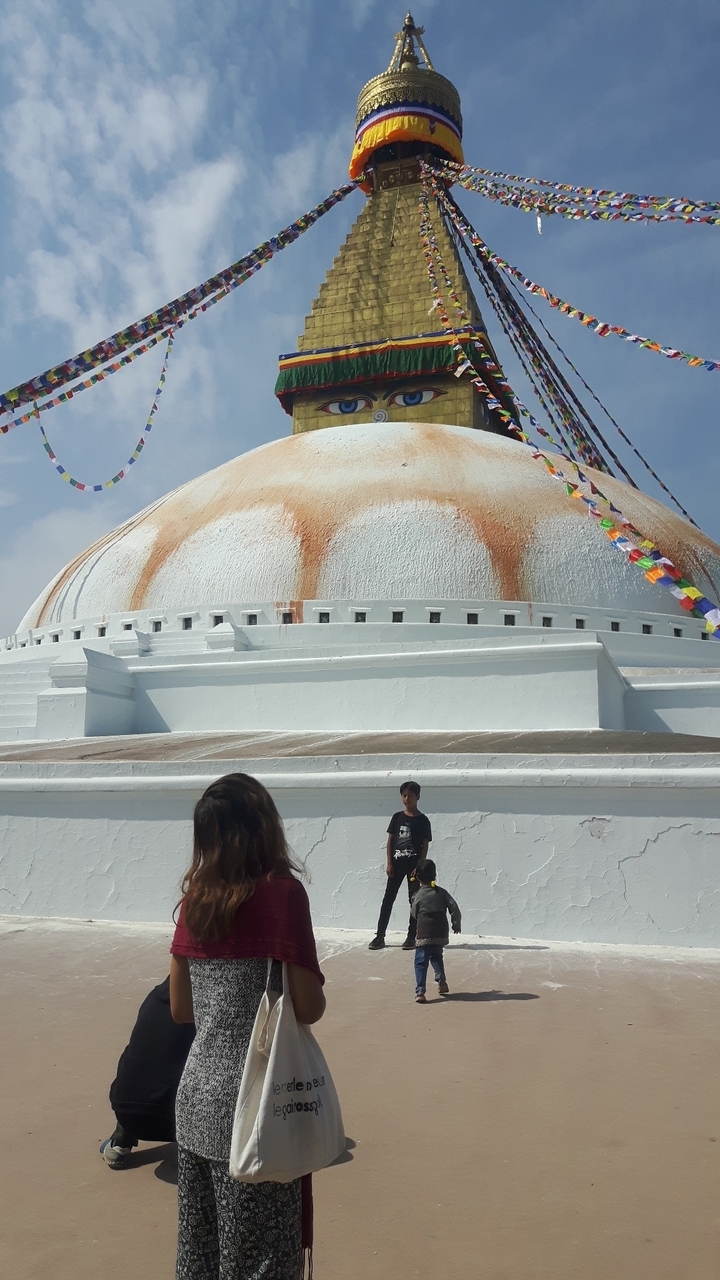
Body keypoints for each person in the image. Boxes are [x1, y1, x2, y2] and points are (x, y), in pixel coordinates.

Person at [169, 771, 326, 1280]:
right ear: (264, 827)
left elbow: (181, 1010)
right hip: (257, 1104)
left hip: (195, 1099)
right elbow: (308, 1007)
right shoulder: (282, 896)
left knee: (200, 1257)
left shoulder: (195, 900)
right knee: (259, 1263)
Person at [99, 976, 196, 1168]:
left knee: (147, 1060)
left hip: (125, 1108)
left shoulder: (154, 998)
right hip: (179, 1121)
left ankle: (121, 1141)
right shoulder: (213, 1006)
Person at [368, 780, 432, 951]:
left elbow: (425, 845)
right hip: (396, 866)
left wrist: (420, 865)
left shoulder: (423, 820)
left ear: (417, 797)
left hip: (413, 868)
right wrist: (389, 862)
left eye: (410, 796)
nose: (406, 799)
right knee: (388, 900)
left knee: (414, 902)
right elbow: (390, 840)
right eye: (404, 795)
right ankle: (379, 936)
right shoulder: (397, 817)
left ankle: (411, 937)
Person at [410, 860, 462, 1003]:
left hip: (424, 933)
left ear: (418, 877)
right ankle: (442, 981)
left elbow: (414, 913)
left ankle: (420, 990)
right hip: (440, 933)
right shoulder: (441, 892)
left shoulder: (418, 895)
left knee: (421, 961)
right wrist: (456, 924)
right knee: (436, 956)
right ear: (435, 875)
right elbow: (454, 907)